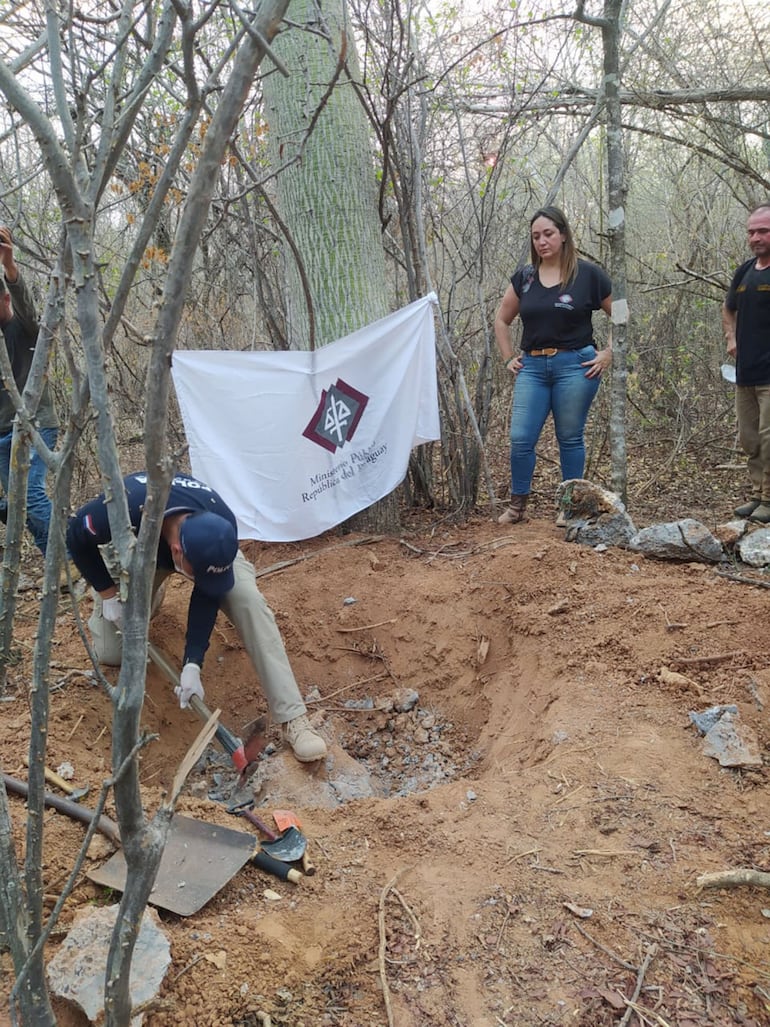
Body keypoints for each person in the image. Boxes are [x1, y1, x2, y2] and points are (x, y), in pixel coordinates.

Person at [66, 471, 328, 763]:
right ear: (177, 551)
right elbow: (75, 533)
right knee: (112, 652)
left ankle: (294, 719)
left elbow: (208, 593)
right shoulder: (124, 506)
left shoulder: (220, 522)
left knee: (248, 600)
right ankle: (148, 593)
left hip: (202, 556)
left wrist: (193, 663)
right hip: (139, 553)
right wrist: (108, 594)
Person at [493, 205, 613, 524]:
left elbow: (624, 314)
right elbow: (502, 320)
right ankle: (517, 506)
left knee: (569, 436)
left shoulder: (588, 274)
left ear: (562, 234)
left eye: (548, 234)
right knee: (520, 437)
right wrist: (508, 357)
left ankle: (570, 508)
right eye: (535, 237)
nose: (542, 241)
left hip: (576, 366)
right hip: (532, 367)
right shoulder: (525, 278)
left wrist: (610, 352)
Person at [0, 226, 59, 555]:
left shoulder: (24, 327)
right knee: (16, 506)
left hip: (35, 423)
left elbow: (32, 311)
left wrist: (9, 266)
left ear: (5, 298)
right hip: (2, 434)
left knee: (31, 495)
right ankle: (55, 560)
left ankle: (69, 557)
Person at [723, 202, 770, 524]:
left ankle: (769, 499)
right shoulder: (744, 271)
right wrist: (731, 338)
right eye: (751, 231)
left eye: (763, 230)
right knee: (750, 438)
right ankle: (757, 494)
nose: (755, 237)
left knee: (769, 438)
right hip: (746, 372)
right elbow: (729, 308)